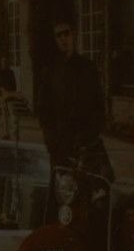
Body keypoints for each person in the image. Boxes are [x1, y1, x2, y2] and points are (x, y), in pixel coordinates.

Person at [35, 17, 112, 181]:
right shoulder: (50, 72)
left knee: (96, 188)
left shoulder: (88, 67)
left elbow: (99, 104)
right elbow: (43, 109)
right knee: (63, 191)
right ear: (55, 40)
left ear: (74, 35)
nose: (63, 39)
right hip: (60, 145)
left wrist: (92, 134)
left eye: (66, 33)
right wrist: (51, 140)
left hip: (86, 143)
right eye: (58, 35)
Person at [0, 62, 22, 142]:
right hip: (2, 97)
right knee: (4, 116)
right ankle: (6, 133)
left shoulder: (11, 73)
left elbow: (14, 85)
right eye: (2, 63)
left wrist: (9, 92)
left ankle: (15, 134)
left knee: (13, 116)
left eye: (5, 63)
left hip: (10, 97)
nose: (3, 64)